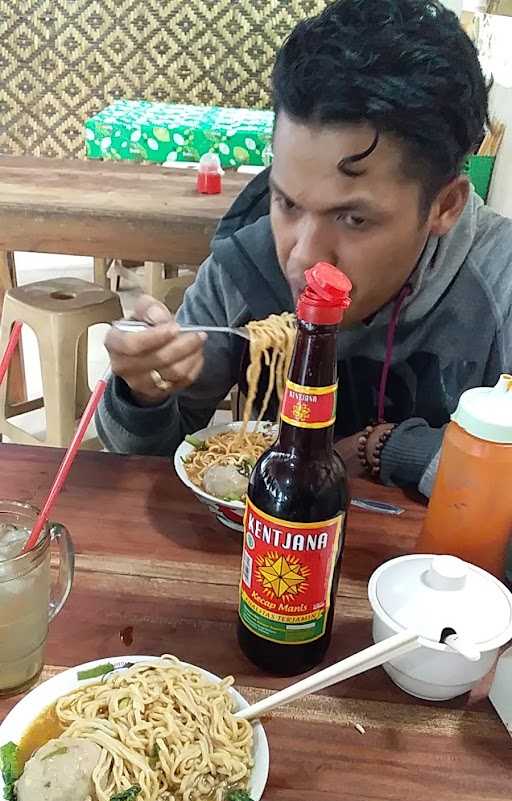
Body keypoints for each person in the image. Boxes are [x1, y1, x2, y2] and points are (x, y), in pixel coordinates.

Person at [97, 0, 512, 496]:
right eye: (286, 202)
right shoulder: (242, 267)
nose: (301, 259)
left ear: (445, 205)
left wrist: (388, 447)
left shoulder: (499, 282)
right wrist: (142, 393)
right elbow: (151, 461)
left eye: (353, 218)